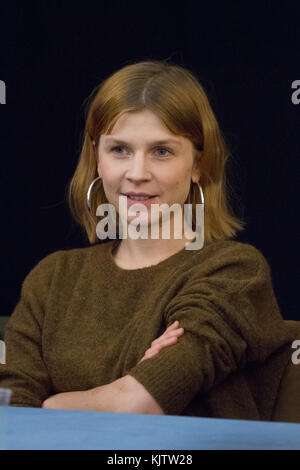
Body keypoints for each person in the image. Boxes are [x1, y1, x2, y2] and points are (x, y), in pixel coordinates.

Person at [0, 60, 296, 418]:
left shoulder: (234, 272)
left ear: (198, 165)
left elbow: (134, 404)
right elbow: (11, 415)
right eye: (119, 150)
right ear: (97, 159)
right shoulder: (52, 279)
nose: (137, 173)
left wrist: (51, 403)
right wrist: (122, 388)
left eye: (162, 151)